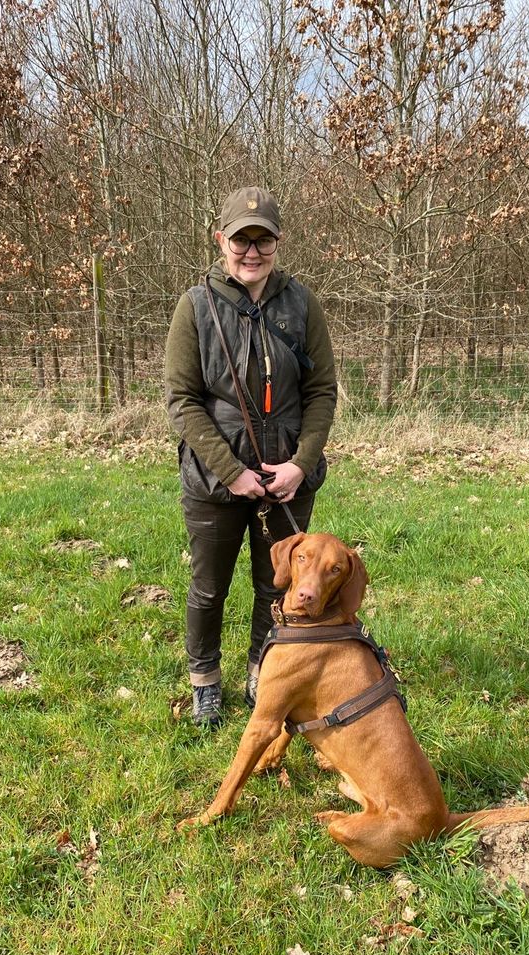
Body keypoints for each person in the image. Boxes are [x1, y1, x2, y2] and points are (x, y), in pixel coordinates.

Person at [165, 186, 337, 727]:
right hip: (214, 480)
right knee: (208, 587)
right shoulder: (196, 307)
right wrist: (231, 471)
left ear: (278, 243)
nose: (252, 252)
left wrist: (300, 465)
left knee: (276, 585)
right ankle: (205, 682)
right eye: (242, 240)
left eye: (264, 240)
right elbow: (182, 400)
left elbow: (321, 392)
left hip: (287, 479)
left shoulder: (302, 304)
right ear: (222, 240)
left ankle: (263, 672)